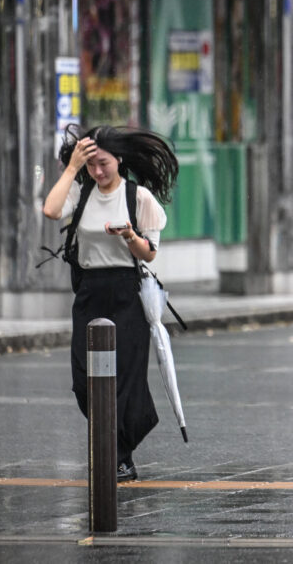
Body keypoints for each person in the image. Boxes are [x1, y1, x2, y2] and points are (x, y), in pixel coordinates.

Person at [42, 124, 179, 482]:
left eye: (104, 163)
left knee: (124, 382)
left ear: (119, 159)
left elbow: (148, 254)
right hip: (89, 292)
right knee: (84, 382)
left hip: (127, 293)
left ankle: (118, 457)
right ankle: (120, 446)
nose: (98, 172)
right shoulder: (81, 192)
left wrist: (130, 235)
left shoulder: (139, 198)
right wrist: (72, 168)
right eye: (91, 166)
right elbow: (51, 211)